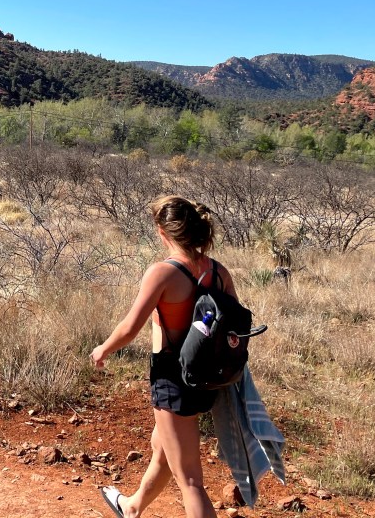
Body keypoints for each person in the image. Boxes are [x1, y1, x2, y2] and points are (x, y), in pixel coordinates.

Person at [91, 195, 238, 518]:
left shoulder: (163, 273)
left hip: (173, 380)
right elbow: (235, 327)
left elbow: (130, 327)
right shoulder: (218, 272)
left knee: (190, 482)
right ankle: (132, 507)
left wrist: (103, 348)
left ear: (163, 232)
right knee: (163, 446)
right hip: (207, 379)